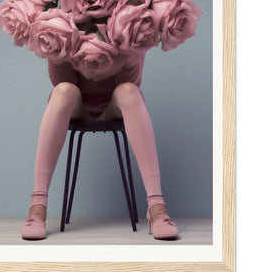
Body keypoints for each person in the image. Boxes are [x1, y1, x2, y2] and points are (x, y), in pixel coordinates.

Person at [21, 54, 179, 241]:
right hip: (76, 104)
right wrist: (59, 51)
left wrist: (127, 49)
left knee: (129, 90)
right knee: (63, 90)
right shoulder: (69, 24)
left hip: (116, 104)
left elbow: (130, 81)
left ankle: (156, 206)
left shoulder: (127, 24)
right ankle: (38, 205)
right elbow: (61, 81)